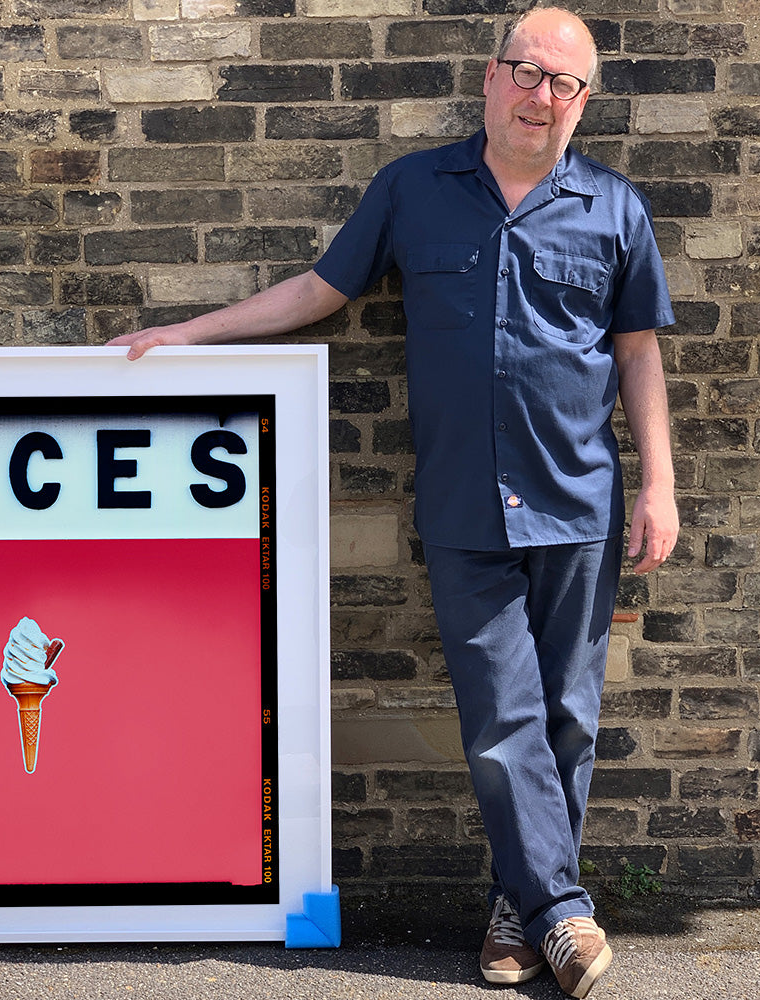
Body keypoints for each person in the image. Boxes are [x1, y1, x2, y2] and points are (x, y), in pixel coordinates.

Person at [110, 7, 679, 997]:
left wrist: (662, 484)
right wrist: (192, 334)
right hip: (464, 503)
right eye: (527, 72)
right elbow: (318, 290)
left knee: (568, 718)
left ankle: (520, 912)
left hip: (581, 499)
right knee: (504, 719)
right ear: (489, 75)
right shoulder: (413, 189)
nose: (542, 96)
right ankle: (562, 912)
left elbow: (637, 353)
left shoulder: (614, 209)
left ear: (584, 102)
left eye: (565, 84)